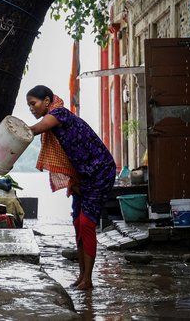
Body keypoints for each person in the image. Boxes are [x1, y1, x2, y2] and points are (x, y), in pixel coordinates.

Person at [26, 85, 116, 290]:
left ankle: (88, 280)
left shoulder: (59, 113)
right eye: (29, 105)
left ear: (47, 101)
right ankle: (82, 276)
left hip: (100, 171)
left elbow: (34, 130)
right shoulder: (55, 117)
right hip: (83, 175)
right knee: (77, 222)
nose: (31, 108)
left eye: (33, 104)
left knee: (86, 223)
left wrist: (9, 130)